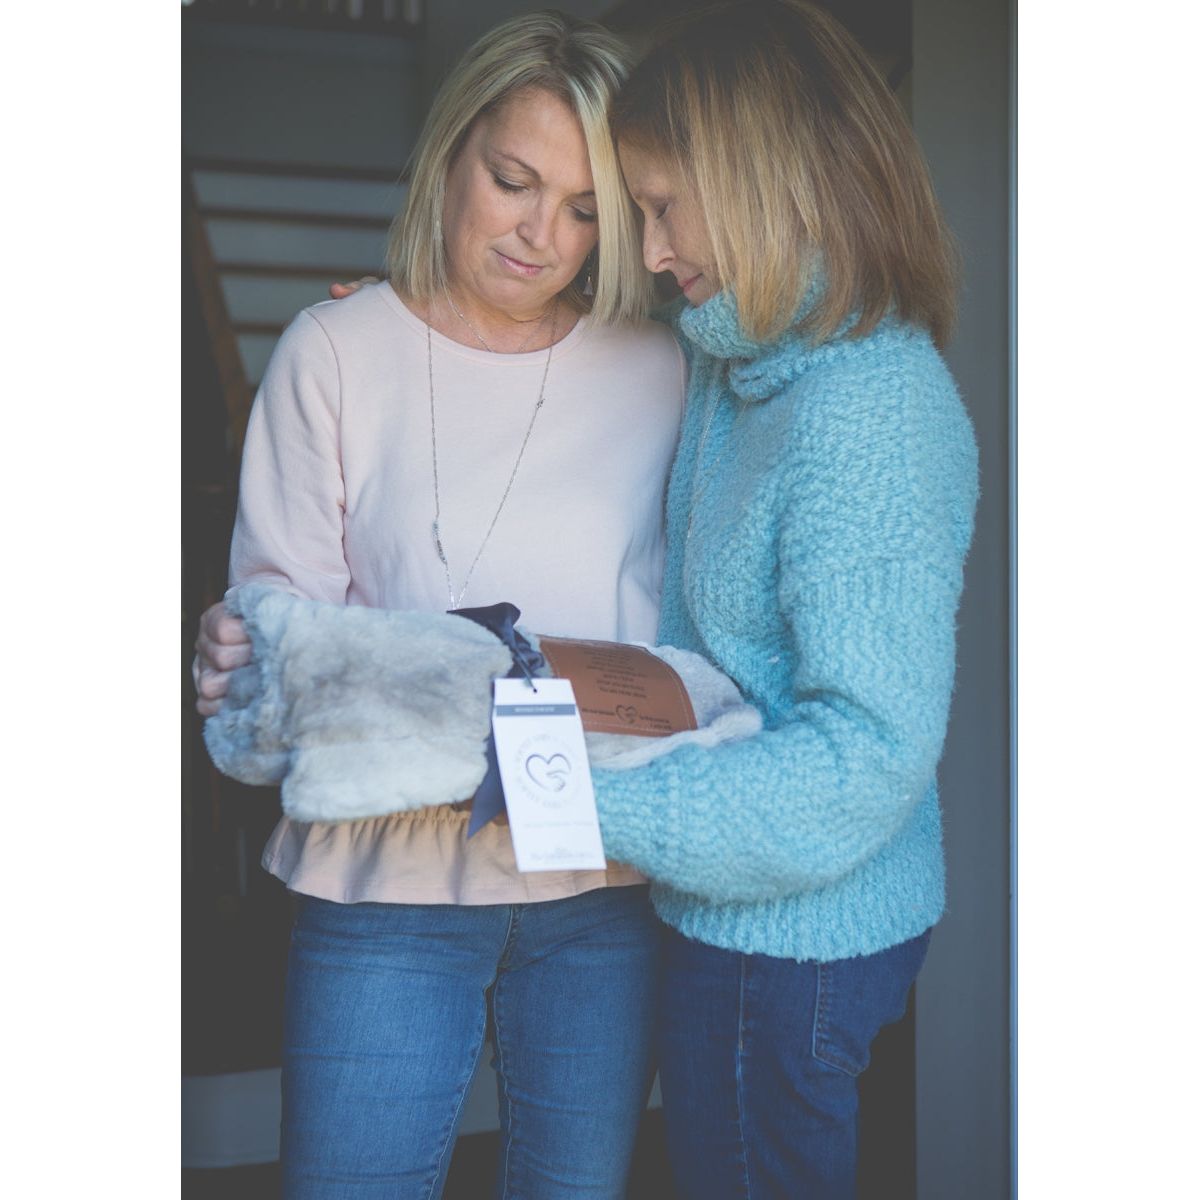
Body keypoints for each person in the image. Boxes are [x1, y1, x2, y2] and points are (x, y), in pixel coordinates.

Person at [192, 12, 685, 1198]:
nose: (541, 235)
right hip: (384, 887)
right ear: (450, 153)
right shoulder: (335, 349)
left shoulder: (664, 368)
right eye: (514, 180)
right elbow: (281, 645)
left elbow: (689, 636)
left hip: (600, 885)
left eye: (584, 209)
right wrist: (250, 651)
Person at [586, 3, 980, 1197]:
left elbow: (868, 751)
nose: (650, 251)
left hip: (791, 945)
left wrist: (597, 805)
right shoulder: (745, 349)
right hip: (741, 912)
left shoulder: (868, 414)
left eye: (662, 206)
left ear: (764, 180)